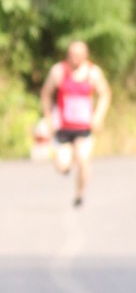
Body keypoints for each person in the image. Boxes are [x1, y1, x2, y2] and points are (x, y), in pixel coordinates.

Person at [40, 40, 111, 207]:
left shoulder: (93, 73)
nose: (75, 59)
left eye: (78, 55)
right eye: (72, 55)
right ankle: (68, 156)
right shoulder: (58, 71)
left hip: (83, 128)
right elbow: (46, 94)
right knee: (62, 166)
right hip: (63, 128)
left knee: (83, 160)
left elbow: (105, 94)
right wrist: (48, 118)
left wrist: (98, 117)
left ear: (85, 55)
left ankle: (79, 194)